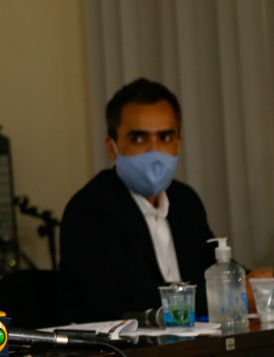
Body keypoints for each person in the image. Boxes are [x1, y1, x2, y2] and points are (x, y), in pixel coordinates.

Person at [58, 78, 268, 323]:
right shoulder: (90, 211)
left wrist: (257, 281)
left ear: (179, 142)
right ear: (112, 148)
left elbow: (213, 266)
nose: (154, 151)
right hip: (112, 355)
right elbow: (126, 301)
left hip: (186, 346)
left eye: (165, 137)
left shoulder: (185, 201)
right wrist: (232, 294)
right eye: (139, 138)